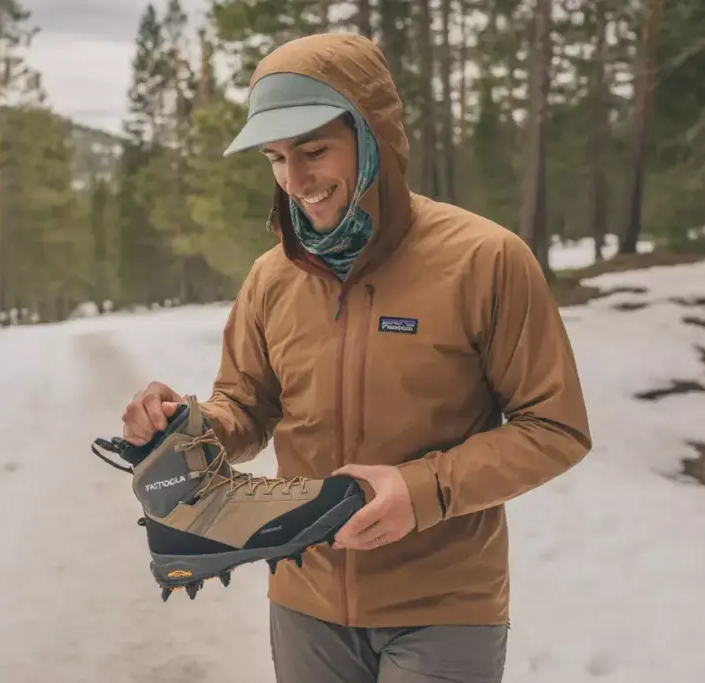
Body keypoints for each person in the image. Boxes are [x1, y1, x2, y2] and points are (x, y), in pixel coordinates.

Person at [120, 32, 592, 683]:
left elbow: (556, 426)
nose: (296, 181)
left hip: (445, 604)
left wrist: (420, 490)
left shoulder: (486, 259)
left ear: (374, 139)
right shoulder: (271, 278)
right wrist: (187, 425)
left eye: (314, 150)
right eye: (276, 158)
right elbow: (247, 405)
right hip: (305, 603)